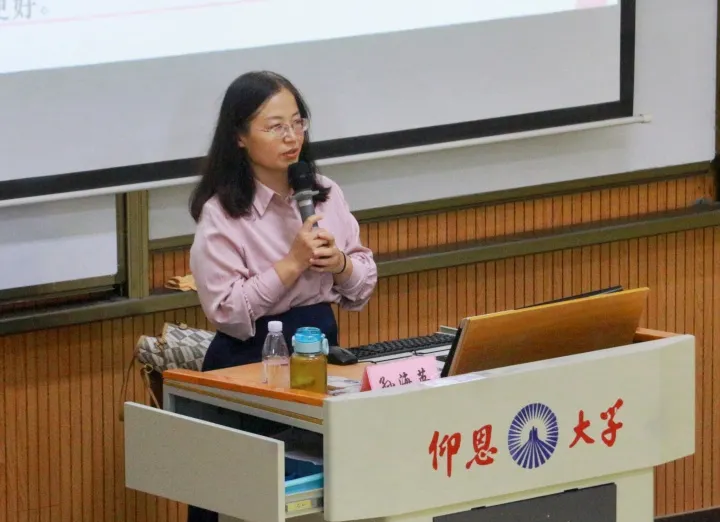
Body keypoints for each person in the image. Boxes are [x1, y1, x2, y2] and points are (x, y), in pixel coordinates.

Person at [186, 71, 378, 522]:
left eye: (297, 123)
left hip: (318, 354)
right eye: (275, 127)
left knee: (318, 498)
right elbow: (228, 311)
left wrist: (340, 264)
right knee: (243, 497)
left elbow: (363, 284)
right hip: (247, 363)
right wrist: (291, 263)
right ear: (239, 136)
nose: (291, 137)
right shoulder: (222, 214)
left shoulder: (325, 193)